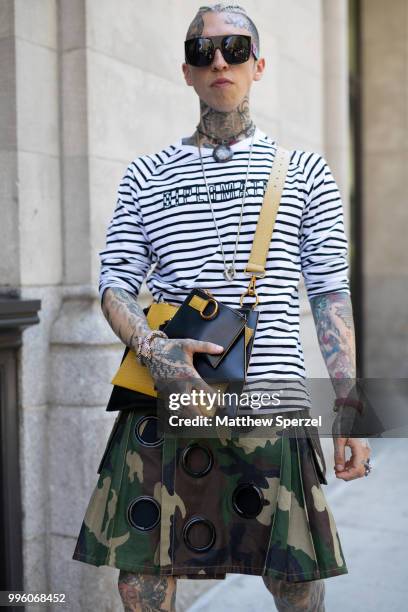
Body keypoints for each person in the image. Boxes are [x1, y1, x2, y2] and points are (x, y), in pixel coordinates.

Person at [72, 3, 372, 610]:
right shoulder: (145, 173)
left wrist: (350, 408)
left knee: (294, 577)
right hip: (165, 398)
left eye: (235, 49)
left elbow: (330, 294)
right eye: (203, 51)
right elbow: (115, 284)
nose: (219, 61)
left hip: (270, 398)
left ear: (257, 65)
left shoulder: (306, 171)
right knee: (141, 574)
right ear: (185, 70)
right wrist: (159, 353)